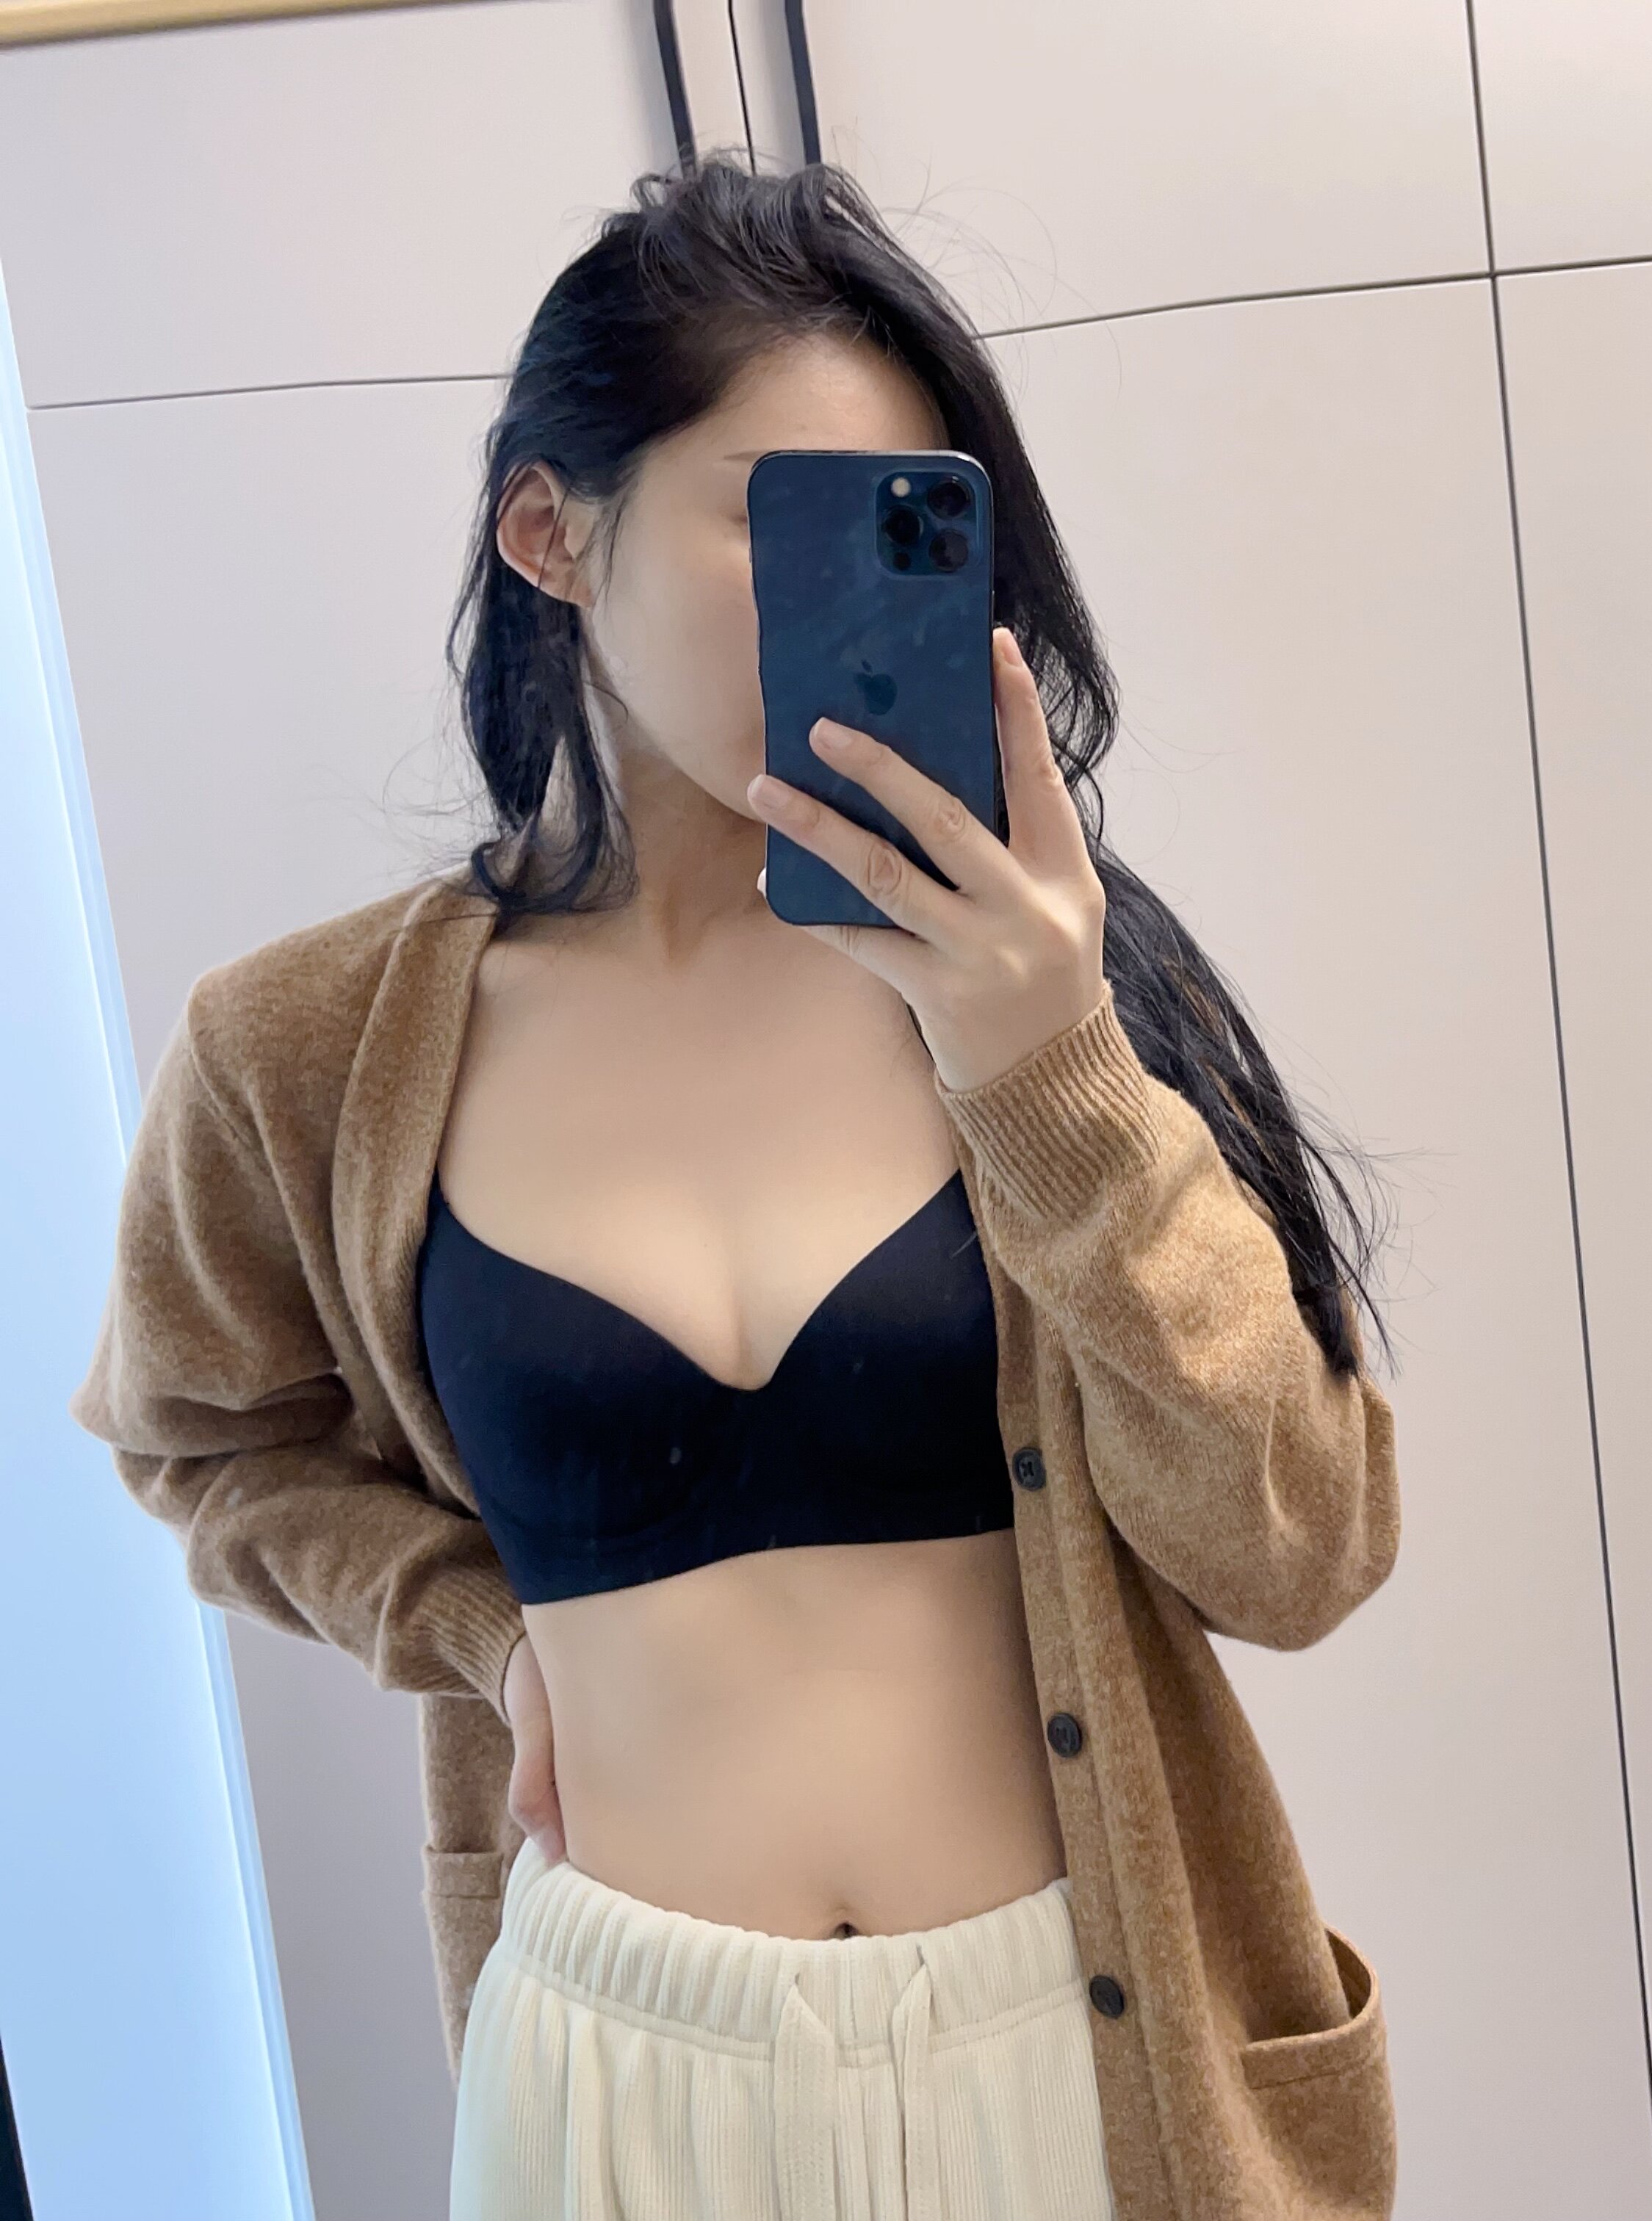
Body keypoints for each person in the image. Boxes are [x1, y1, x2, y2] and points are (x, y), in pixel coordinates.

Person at [71, 155, 1404, 2221]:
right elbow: (205, 1445)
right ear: (550, 532)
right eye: (780, 516)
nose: (850, 598)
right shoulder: (302, 1051)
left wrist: (1049, 1073)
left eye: (907, 526)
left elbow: (1301, 1548)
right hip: (619, 2070)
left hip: (1068, 2048)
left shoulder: (1050, 983)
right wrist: (479, 1631)